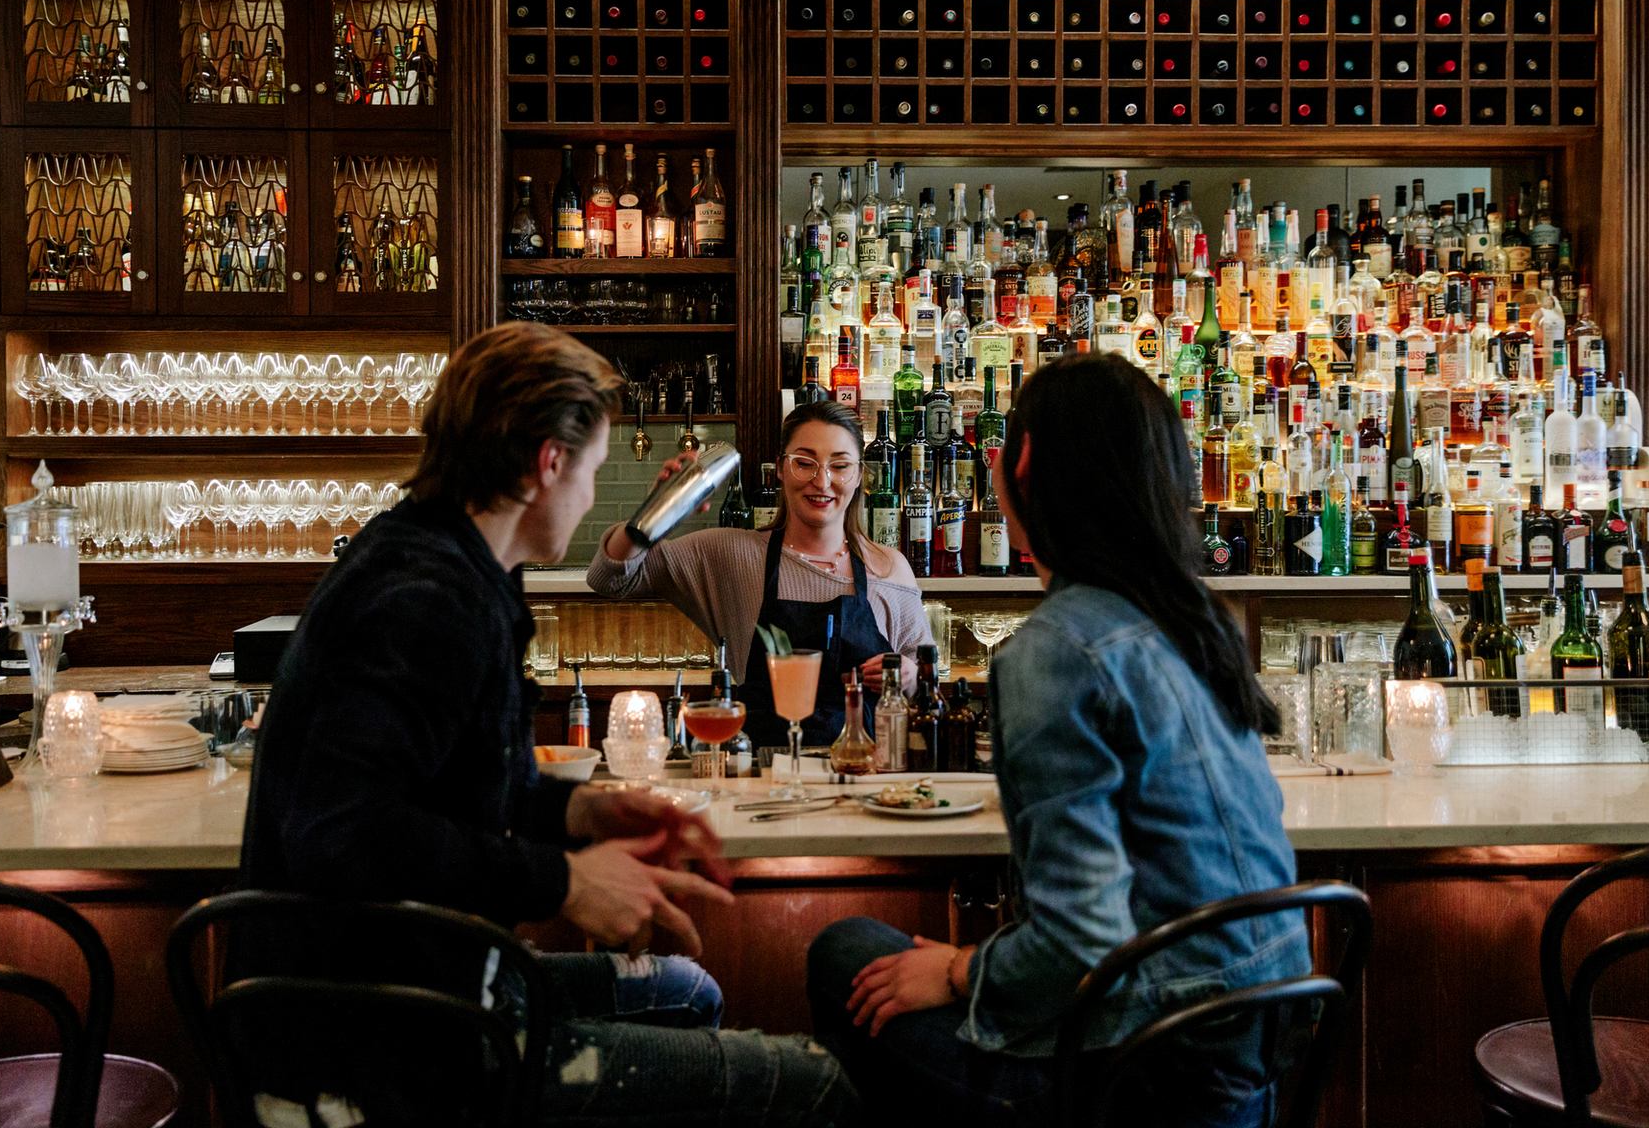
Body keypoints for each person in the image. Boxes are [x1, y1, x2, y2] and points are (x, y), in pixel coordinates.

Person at [240, 322, 858, 1126]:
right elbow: (345, 834)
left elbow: (445, 794)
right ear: (548, 463)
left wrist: (579, 812)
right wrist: (564, 881)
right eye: (594, 468)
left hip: (429, 987)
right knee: (814, 1083)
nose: (592, 489)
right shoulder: (422, 598)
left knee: (685, 989)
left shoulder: (450, 564)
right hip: (373, 1048)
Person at [806, 352, 1307, 1128]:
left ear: (1022, 463)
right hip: (1261, 1058)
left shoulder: (1057, 650)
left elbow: (1081, 945)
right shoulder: (1190, 623)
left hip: (1140, 1083)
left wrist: (962, 969)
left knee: (844, 954)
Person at [588, 400, 933, 749]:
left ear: (859, 476)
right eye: (804, 463)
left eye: (840, 465)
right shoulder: (732, 555)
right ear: (781, 468)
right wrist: (654, 513)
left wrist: (908, 675)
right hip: (760, 778)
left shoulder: (888, 567)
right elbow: (611, 578)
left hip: (865, 775)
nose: (822, 481)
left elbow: (926, 680)